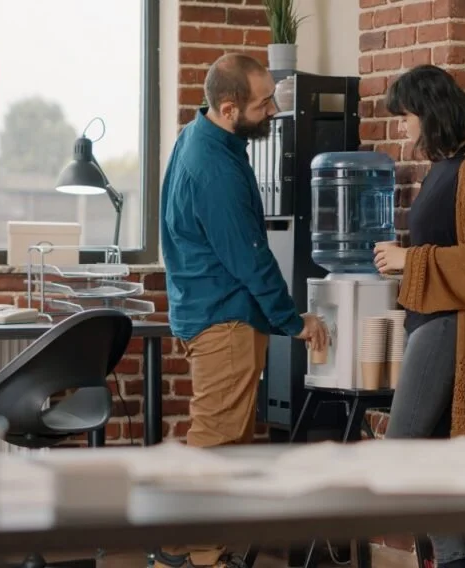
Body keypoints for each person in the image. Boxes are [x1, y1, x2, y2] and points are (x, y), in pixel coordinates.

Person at [157, 53, 329, 568]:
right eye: (263, 103)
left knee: (217, 432)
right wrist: (294, 321)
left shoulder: (200, 133)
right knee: (220, 441)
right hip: (224, 318)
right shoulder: (216, 171)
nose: (273, 110)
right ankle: (206, 556)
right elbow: (252, 258)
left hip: (204, 309)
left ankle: (179, 546)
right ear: (229, 108)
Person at [373, 64, 465, 568]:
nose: (402, 126)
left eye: (405, 116)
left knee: (404, 448)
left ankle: (447, 560)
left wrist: (411, 259)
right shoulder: (442, 167)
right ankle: (447, 559)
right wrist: (405, 255)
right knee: (430, 451)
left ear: (428, 113)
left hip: (451, 324)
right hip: (427, 319)